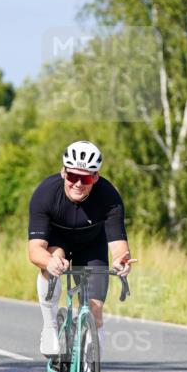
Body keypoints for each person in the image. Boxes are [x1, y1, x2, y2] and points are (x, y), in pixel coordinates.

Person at [28, 140, 133, 358]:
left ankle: (90, 365)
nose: (77, 183)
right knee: (52, 262)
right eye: (72, 176)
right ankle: (50, 326)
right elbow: (35, 250)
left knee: (95, 311)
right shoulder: (46, 193)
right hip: (58, 242)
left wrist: (121, 261)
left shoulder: (109, 197)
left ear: (95, 177)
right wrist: (49, 262)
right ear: (63, 172)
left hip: (92, 245)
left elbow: (118, 245)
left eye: (85, 179)